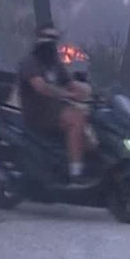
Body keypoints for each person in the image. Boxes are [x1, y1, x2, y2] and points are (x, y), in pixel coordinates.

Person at [18, 24, 94, 186]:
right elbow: (41, 87)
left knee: (91, 122)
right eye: (48, 38)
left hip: (55, 111)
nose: (51, 43)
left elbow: (70, 84)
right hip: (38, 114)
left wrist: (89, 91)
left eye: (54, 39)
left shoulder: (55, 64)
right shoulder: (31, 63)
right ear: (39, 40)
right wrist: (66, 94)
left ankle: (85, 161)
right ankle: (75, 171)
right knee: (76, 120)